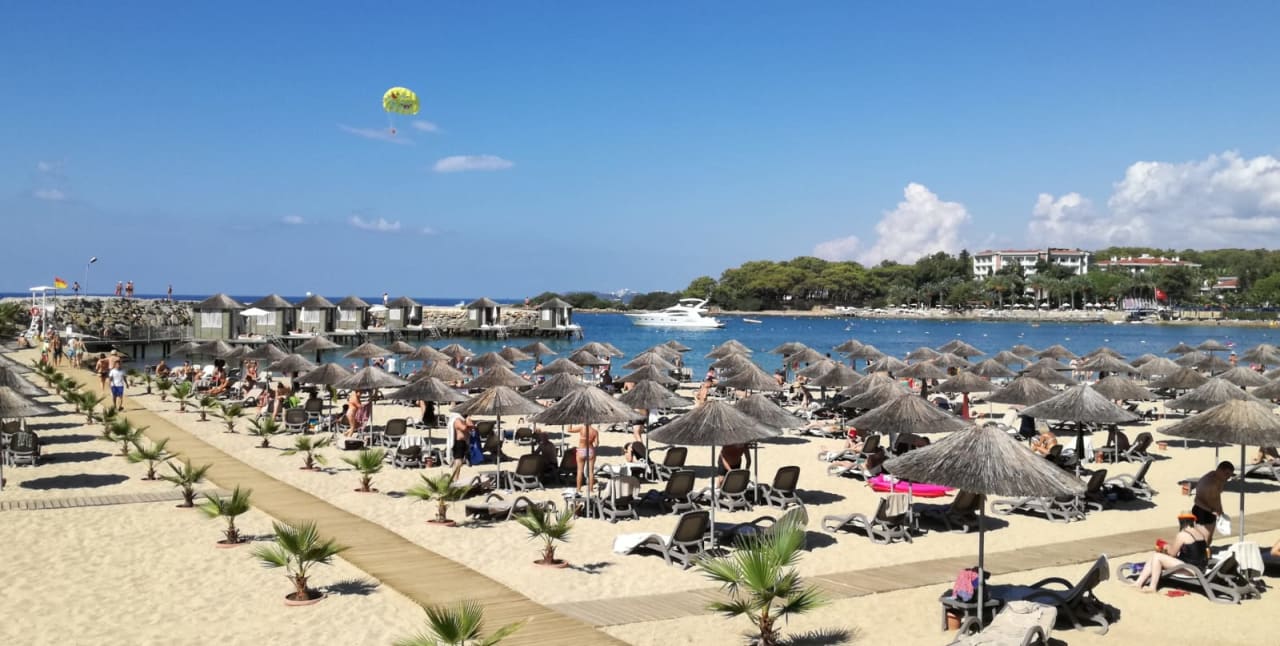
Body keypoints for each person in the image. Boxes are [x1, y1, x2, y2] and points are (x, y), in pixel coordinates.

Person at [1130, 513, 1211, 592]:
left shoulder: (1183, 534)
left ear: (1181, 521)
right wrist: (1169, 547)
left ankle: (1152, 587)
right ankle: (1138, 583)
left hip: (1190, 569)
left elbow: (1172, 554)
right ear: (1193, 521)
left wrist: (1165, 546)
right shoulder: (1200, 533)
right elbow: (1195, 550)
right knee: (1154, 557)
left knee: (1157, 557)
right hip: (1200, 568)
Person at [1193, 461, 1235, 545]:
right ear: (1219, 470)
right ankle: (1202, 551)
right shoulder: (1207, 484)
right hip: (1202, 511)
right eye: (1226, 474)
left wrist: (1220, 510)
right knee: (1204, 538)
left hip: (1211, 510)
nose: (1228, 478)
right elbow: (1197, 500)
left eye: (1230, 475)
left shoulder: (1219, 478)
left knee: (1208, 538)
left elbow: (1216, 496)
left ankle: (1205, 550)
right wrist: (1212, 510)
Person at [568, 423, 600, 493]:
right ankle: (591, 489)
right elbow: (596, 444)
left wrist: (570, 422)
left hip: (581, 450)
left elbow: (569, 430)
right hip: (590, 450)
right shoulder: (595, 431)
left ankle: (578, 489)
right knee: (591, 471)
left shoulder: (582, 428)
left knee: (580, 471)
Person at [448, 412, 476, 479]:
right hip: (458, 443)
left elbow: (472, 427)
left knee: (459, 462)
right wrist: (468, 422)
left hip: (464, 442)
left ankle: (456, 477)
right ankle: (455, 478)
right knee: (458, 462)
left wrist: (469, 422)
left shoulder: (463, 420)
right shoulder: (457, 420)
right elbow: (464, 428)